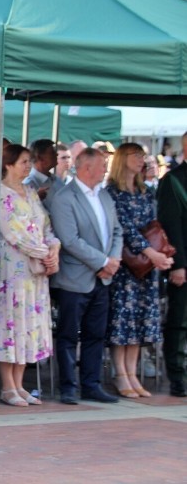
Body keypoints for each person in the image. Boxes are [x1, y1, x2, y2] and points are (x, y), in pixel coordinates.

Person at [0, 144, 59, 407]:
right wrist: (45, 252)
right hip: (12, 271)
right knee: (11, 324)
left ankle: (19, 383)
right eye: (23, 162)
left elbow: (46, 224)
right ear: (8, 164)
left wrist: (53, 248)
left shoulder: (30, 192)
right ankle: (7, 386)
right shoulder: (1, 194)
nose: (28, 166)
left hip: (35, 271)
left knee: (29, 324)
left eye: (29, 161)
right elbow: (14, 233)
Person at [51, 147, 122, 405]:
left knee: (96, 334)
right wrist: (102, 261)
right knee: (69, 335)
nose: (106, 169)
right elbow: (69, 240)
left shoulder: (104, 195)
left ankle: (92, 384)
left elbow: (117, 231)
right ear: (87, 167)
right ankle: (68, 386)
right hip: (74, 278)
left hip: (103, 278)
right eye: (102, 164)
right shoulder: (64, 197)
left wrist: (112, 262)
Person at [106, 143, 172, 399]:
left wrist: (160, 253)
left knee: (139, 322)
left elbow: (153, 224)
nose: (142, 160)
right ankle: (120, 373)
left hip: (147, 268)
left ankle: (132, 373)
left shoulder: (145, 191)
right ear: (124, 159)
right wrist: (150, 252)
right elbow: (123, 227)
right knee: (122, 321)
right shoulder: (113, 192)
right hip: (126, 266)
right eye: (137, 155)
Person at [157, 131, 187, 397]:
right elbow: (171, 225)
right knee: (180, 321)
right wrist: (178, 264)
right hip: (184, 265)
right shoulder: (173, 181)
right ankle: (178, 376)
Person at [24, 139, 61, 206]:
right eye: (52, 152)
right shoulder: (28, 184)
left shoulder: (56, 179)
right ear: (40, 157)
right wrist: (36, 198)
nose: (57, 154)